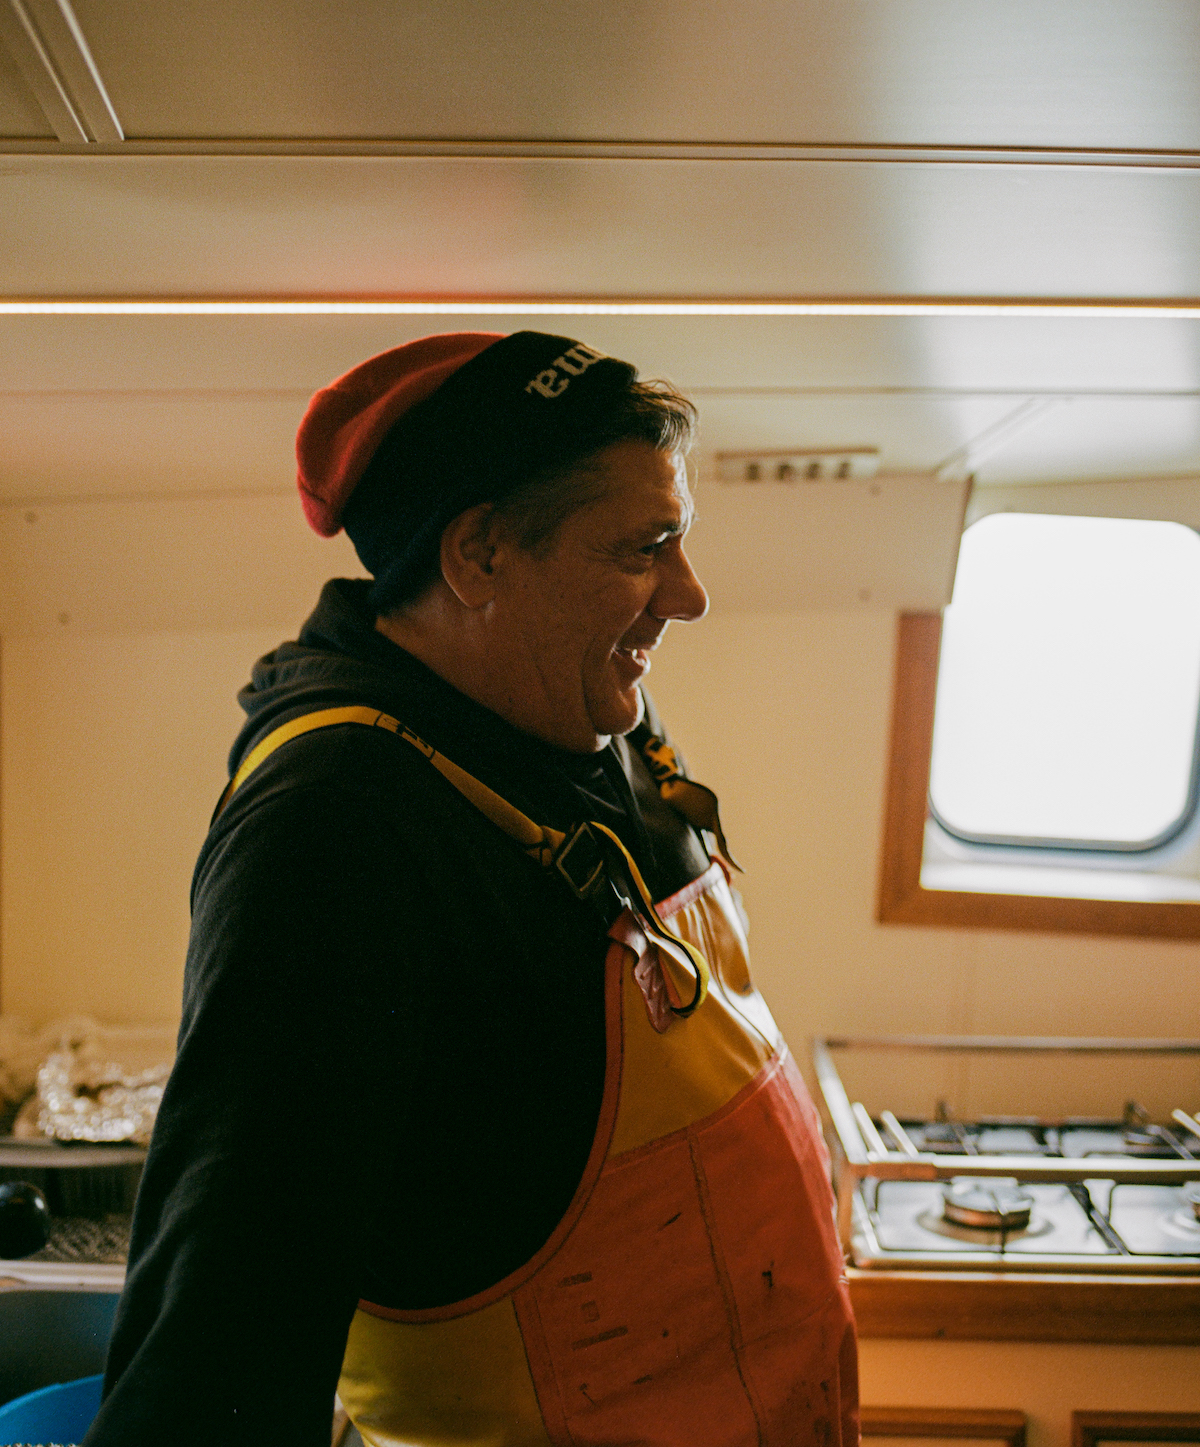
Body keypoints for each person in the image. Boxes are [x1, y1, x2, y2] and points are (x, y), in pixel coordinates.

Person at [84, 330, 859, 1447]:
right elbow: (224, 1329)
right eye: (643, 549)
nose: (687, 597)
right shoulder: (336, 827)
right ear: (480, 556)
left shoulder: (586, 720)